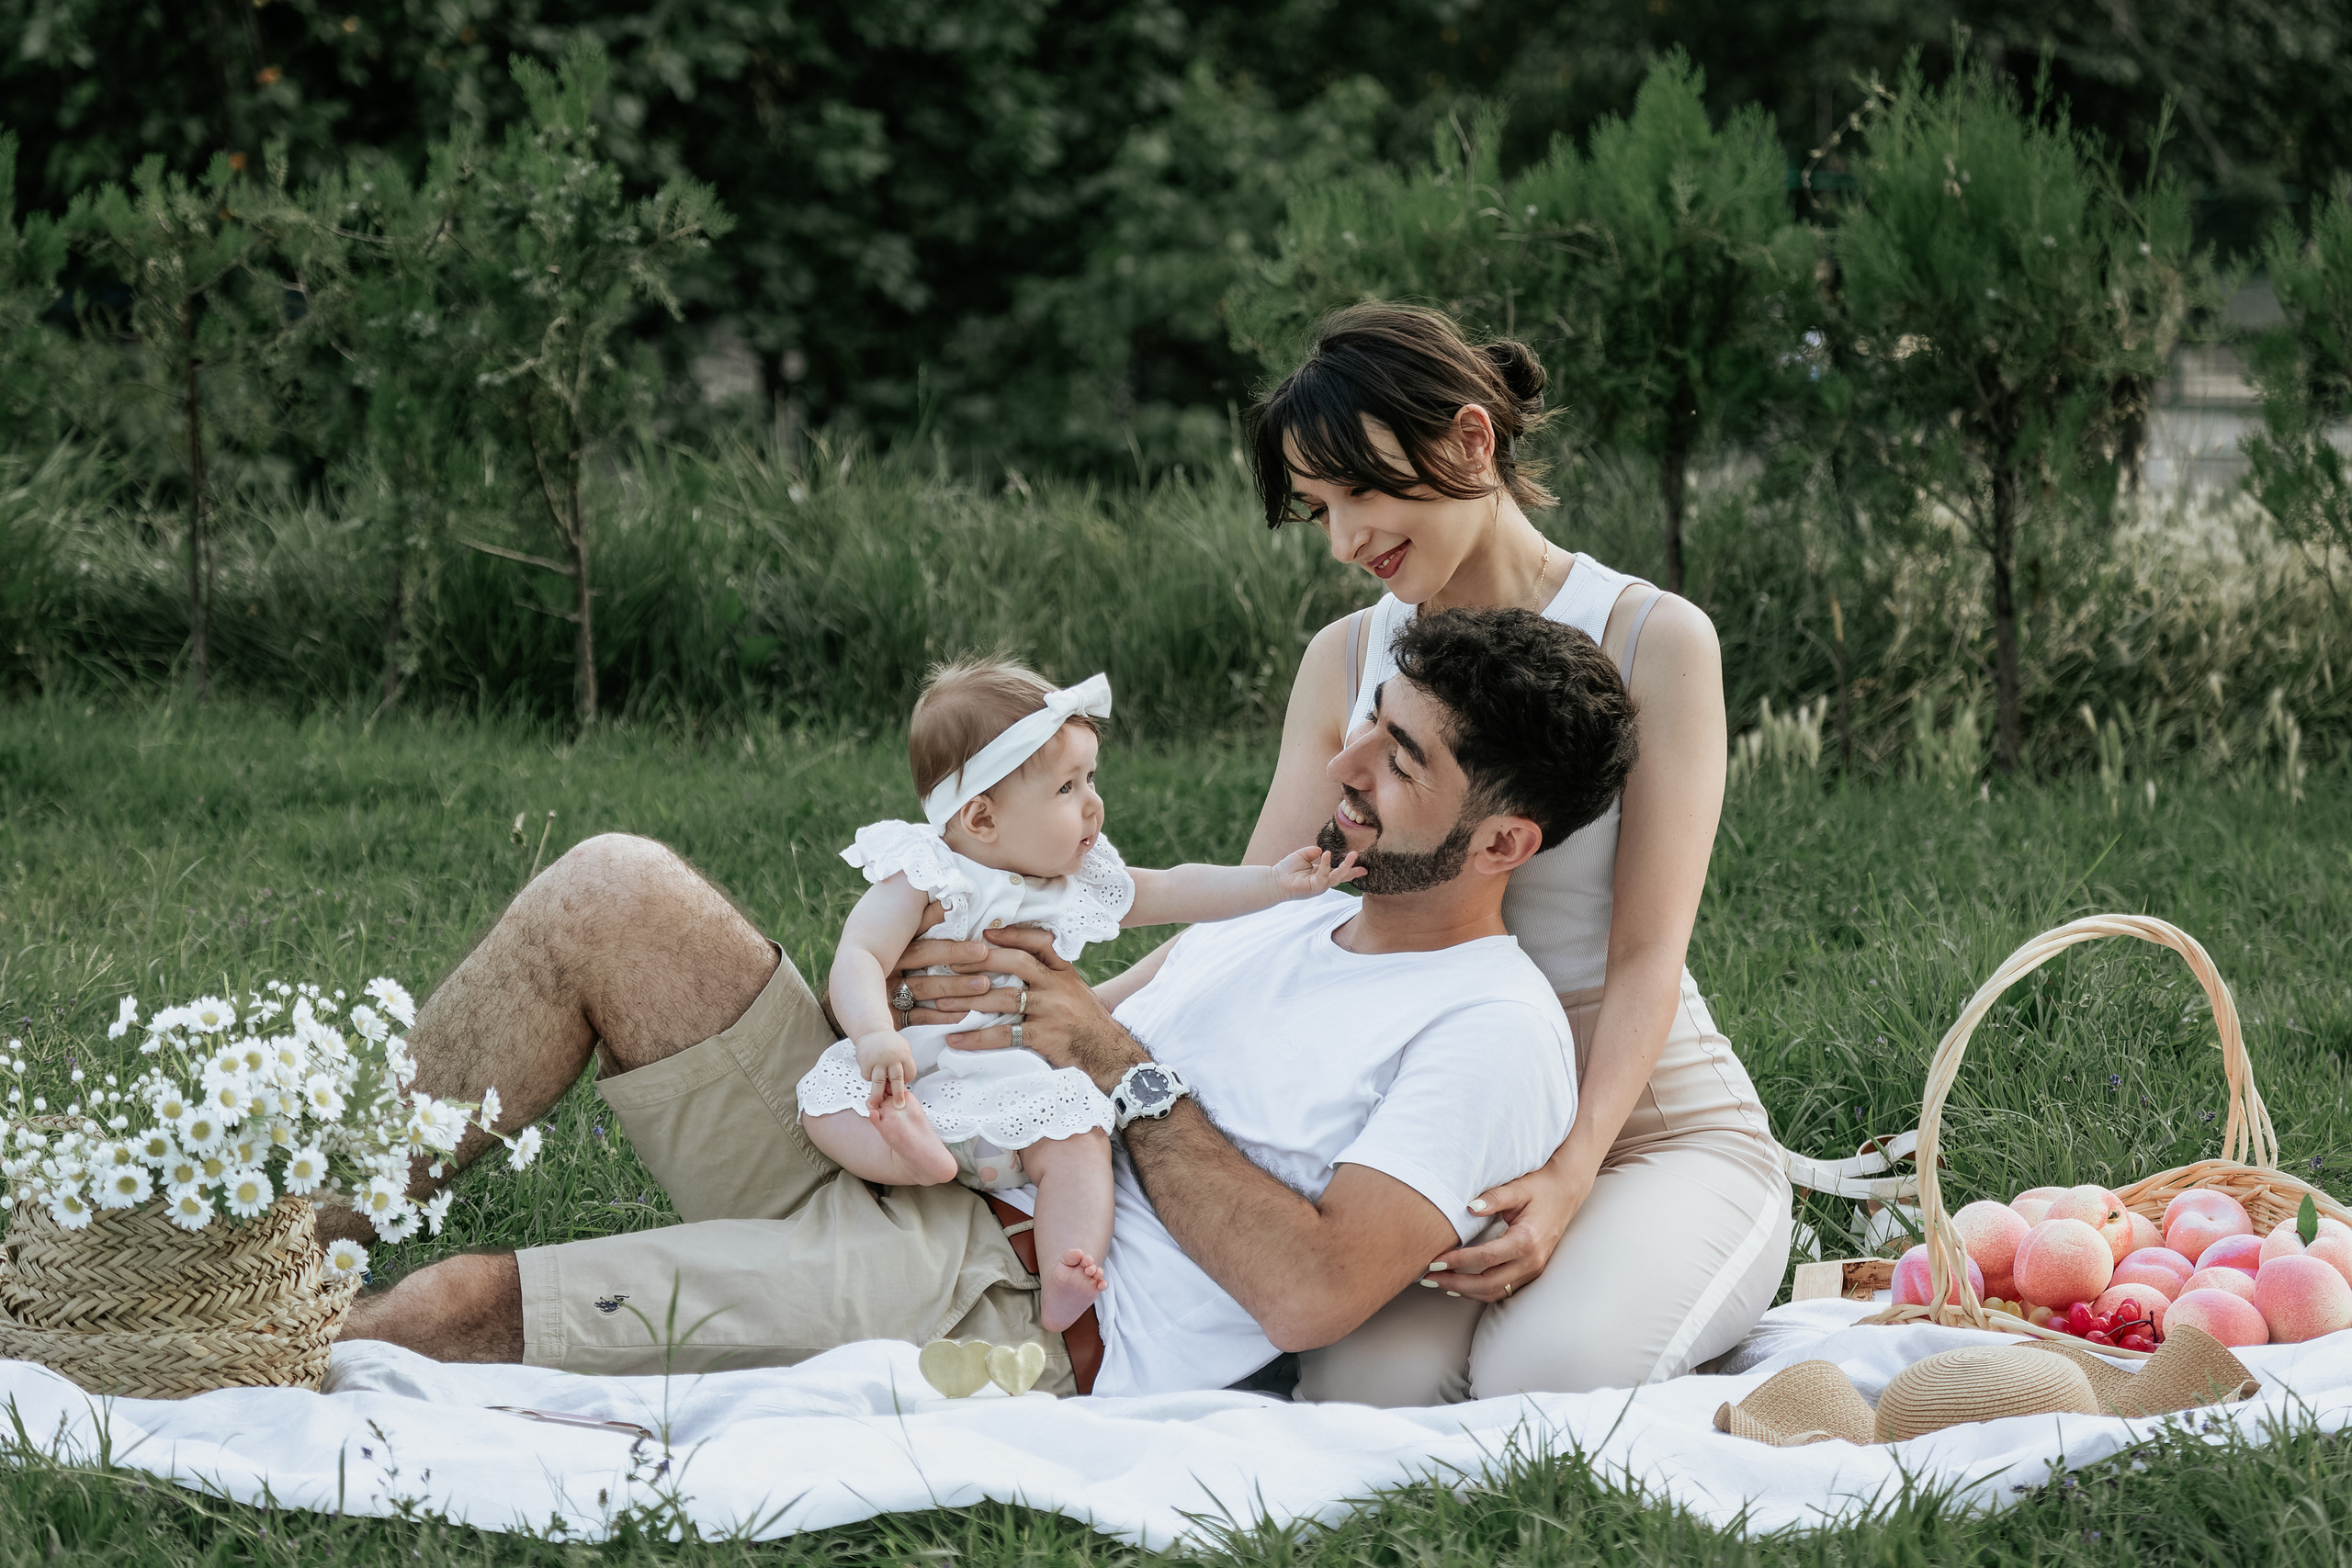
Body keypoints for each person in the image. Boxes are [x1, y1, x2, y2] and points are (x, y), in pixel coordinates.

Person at [336, 606, 1634, 1398]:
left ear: (1503, 841)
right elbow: (1087, 1001)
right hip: (914, 1131)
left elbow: (1311, 1293)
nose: (1341, 767)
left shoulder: (1488, 1026)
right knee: (610, 886)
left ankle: (184, 1343)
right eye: (1367, 723)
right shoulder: (1300, 912)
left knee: (458, 1310)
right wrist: (935, 999)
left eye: (1398, 759)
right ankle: (263, 1235)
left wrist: (1107, 1054)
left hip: (1001, 1293)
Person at [1213, 301, 1791, 1403]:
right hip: (1442, 1145)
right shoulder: (1344, 660)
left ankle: (1677, 1285)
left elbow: (1645, 954)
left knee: (1545, 1381)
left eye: (1366, 491)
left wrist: (1572, 1173)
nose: (1344, 541)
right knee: (1358, 1403)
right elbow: (1270, 916)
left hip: (1644, 1133)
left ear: (1472, 441)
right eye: (1319, 508)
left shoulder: (1650, 638)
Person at [803, 656, 1362, 1333]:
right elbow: (859, 954)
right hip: (915, 1077)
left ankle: (1068, 1266)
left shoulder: (1068, 877)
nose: (1094, 802)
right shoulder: (925, 873)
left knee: (1079, 1139)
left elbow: (1169, 887)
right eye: (1067, 786)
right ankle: (915, 1157)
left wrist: (1272, 883)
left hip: (1013, 1089)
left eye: (1090, 777)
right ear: (980, 817)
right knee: (827, 1109)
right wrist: (872, 1034)